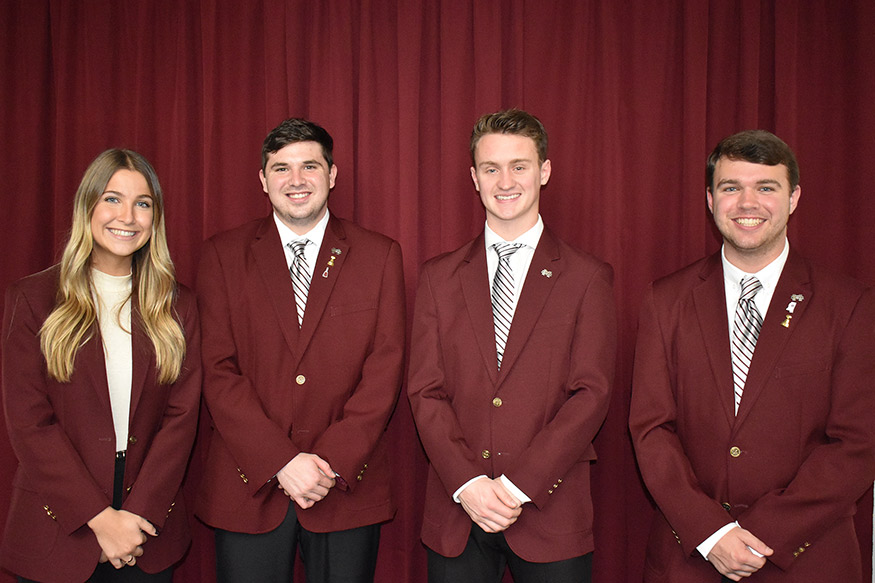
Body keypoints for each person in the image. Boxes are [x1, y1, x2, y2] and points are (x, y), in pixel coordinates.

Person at [629, 130, 875, 582]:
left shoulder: (851, 305)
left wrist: (762, 533)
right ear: (709, 198)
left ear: (793, 197)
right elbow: (650, 429)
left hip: (806, 559)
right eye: (730, 188)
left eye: (766, 187)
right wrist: (711, 532)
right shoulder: (665, 300)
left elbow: (857, 444)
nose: (748, 203)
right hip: (691, 557)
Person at [407, 109, 616, 582]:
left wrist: (519, 486)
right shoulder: (438, 277)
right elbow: (425, 390)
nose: (505, 181)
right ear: (474, 178)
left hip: (551, 509)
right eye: (491, 168)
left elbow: (591, 394)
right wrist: (468, 484)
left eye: (519, 166)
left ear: (543, 171)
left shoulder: (588, 278)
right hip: (458, 510)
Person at [195, 118, 405, 583]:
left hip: (345, 488)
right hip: (248, 487)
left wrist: (328, 463)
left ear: (332, 175)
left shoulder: (380, 255)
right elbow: (217, 370)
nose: (296, 180)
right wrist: (281, 461)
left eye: (309, 166)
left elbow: (385, 369)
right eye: (281, 168)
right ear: (263, 180)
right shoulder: (221, 256)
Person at [1, 149, 201, 583]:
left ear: (155, 218)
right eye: (112, 199)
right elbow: (29, 423)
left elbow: (181, 419)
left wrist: (135, 517)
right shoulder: (32, 299)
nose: (127, 216)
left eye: (142, 203)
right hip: (57, 524)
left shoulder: (179, 306)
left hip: (147, 527)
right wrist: (98, 518)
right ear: (87, 207)